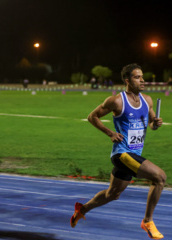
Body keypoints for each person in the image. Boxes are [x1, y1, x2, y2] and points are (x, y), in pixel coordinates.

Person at [70, 63, 166, 239]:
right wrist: (110, 133)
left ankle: (82, 209)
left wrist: (156, 124)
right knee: (160, 178)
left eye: (143, 77)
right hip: (122, 154)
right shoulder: (116, 101)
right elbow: (92, 116)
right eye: (138, 77)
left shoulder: (148, 100)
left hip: (134, 154)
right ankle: (147, 221)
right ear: (127, 81)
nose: (142, 80)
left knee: (112, 194)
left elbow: (152, 124)